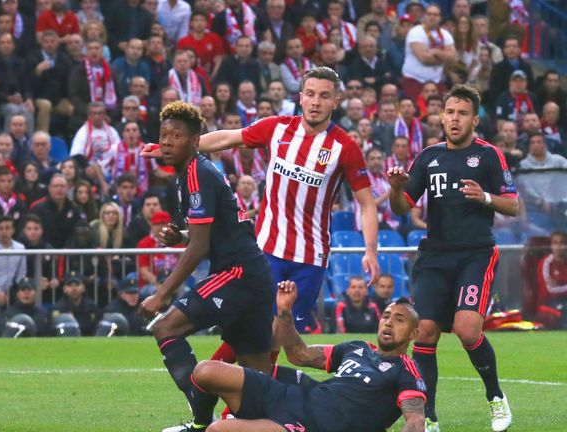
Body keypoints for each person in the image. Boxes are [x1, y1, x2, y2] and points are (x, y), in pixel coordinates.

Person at [144, 67, 380, 336]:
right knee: (253, 330)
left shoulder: (345, 147)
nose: (316, 102)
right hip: (266, 253)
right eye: (311, 94)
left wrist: (370, 250)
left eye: (325, 96)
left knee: (281, 337)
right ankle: (218, 375)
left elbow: (367, 204)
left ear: (336, 102)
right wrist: (168, 148)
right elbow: (227, 138)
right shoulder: (277, 128)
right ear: (300, 97)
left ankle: (228, 375)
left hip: (310, 258)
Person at [139, 101, 274, 432]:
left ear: (196, 140)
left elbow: (199, 247)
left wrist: (162, 294)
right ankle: (284, 423)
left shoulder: (197, 173)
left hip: (237, 273)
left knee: (165, 327)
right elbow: (209, 232)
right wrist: (181, 234)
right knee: (257, 378)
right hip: (253, 275)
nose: (167, 142)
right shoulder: (194, 172)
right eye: (164, 135)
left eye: (176, 135)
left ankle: (201, 419)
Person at [387, 84, 516, 432]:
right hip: (434, 256)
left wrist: (486, 196)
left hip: (475, 255)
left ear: (475, 119)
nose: (454, 119)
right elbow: (402, 207)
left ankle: (495, 397)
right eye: (450, 112)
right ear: (441, 117)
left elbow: (513, 204)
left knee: (466, 328)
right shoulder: (429, 156)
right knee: (424, 331)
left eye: (462, 113)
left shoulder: (489, 155)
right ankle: (428, 419)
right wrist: (398, 189)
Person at [191, 280, 426, 432]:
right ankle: (197, 424)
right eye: (386, 316)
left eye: (399, 319)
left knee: (218, 431)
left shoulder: (406, 369)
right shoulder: (357, 347)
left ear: (414, 333)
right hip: (294, 396)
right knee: (205, 371)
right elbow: (298, 354)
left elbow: (415, 421)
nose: (388, 322)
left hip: (315, 425)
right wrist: (284, 313)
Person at [0, 215, 27, 306]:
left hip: (12, 291)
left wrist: (15, 292)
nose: (4, 232)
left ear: (13, 230)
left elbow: (21, 274)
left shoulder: (20, 248)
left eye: (7, 228)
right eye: (0, 229)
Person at [53, 272, 102, 336]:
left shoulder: (92, 307)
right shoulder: (58, 308)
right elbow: (52, 330)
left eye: (77, 284)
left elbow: (99, 327)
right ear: (64, 289)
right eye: (70, 285)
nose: (74, 289)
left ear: (83, 288)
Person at [535, 231, 567, 329]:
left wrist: (559, 286)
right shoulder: (546, 263)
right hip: (549, 304)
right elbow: (549, 290)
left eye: (562, 243)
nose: (558, 247)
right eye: (555, 243)